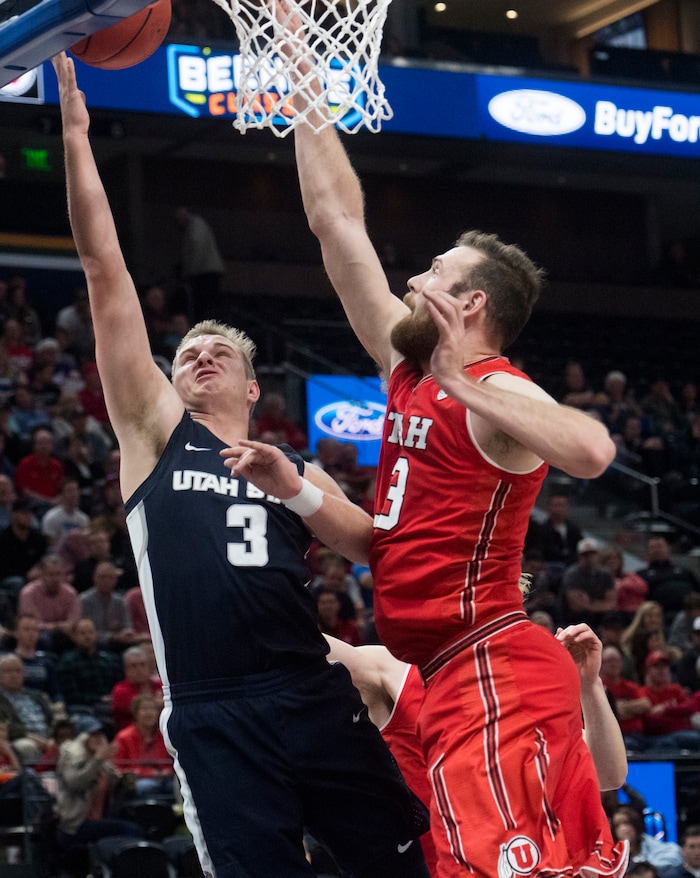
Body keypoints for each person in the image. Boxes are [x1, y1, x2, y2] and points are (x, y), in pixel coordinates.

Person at [52, 52, 431, 878]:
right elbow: (105, 274)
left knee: (404, 865)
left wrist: (299, 493)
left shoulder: (293, 468)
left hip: (311, 692)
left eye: (218, 350)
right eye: (188, 351)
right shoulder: (155, 432)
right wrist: (77, 137)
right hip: (216, 712)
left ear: (255, 386)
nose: (200, 357)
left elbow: (373, 545)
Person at [286, 20, 628, 876]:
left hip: (494, 666)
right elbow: (336, 224)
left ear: (468, 303)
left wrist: (466, 383)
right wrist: (297, 69)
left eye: (432, 271)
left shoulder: (497, 394)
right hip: (443, 674)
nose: (412, 280)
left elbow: (591, 450)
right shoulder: (405, 369)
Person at [325, 622, 629, 878]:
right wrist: (280, 570)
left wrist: (588, 685)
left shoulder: (525, 690)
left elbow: (607, 774)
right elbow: (297, 642)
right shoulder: (395, 670)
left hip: (536, 865)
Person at [54, 715, 143, 850]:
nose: (99, 738)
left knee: (137, 827)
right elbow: (75, 783)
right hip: (76, 825)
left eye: (100, 734)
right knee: (130, 831)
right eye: (93, 735)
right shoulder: (70, 757)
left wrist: (126, 781)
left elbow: (115, 785)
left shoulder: (103, 762)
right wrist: (97, 760)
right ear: (82, 739)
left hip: (99, 820)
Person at [113, 693, 174, 800]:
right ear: (135, 713)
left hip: (166, 779)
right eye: (145, 709)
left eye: (153, 709)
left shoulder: (164, 735)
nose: (149, 713)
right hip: (138, 781)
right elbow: (117, 768)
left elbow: (172, 762)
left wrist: (167, 771)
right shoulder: (123, 737)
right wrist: (147, 773)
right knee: (147, 786)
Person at [0, 653, 55, 761]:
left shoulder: (38, 696)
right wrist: (34, 738)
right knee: (27, 746)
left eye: (17, 671)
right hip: (19, 739)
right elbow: (5, 727)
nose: (13, 675)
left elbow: (55, 716)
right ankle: (30, 777)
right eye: (8, 671)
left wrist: (56, 737)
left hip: (47, 737)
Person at [558, 537, 617, 629]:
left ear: (598, 555)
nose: (589, 558)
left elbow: (612, 603)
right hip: (573, 619)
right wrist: (600, 604)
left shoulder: (606, 574)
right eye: (585, 555)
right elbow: (575, 606)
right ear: (579, 556)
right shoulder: (572, 574)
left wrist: (590, 604)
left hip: (600, 619)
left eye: (592, 554)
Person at [79, 560, 135, 652]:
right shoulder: (84, 601)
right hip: (94, 645)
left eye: (110, 577)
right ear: (94, 578)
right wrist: (112, 637)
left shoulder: (120, 601)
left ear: (116, 580)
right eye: (102, 577)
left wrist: (127, 633)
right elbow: (84, 632)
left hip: (118, 645)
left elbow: (127, 626)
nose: (106, 581)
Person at [610, 805, 683, 874]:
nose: (623, 829)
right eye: (617, 825)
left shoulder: (652, 844)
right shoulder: (612, 852)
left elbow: (674, 855)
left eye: (626, 823)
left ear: (635, 825)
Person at [111, 645, 163, 732]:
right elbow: (139, 708)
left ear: (150, 667)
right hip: (131, 737)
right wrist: (158, 703)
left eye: (142, 665)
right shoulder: (120, 690)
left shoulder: (160, 685)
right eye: (133, 666)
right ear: (125, 669)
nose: (139, 669)